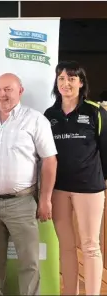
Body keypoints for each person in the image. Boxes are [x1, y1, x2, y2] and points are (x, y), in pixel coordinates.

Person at [0, 73, 58, 295]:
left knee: (29, 263)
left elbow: (49, 160)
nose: (2, 94)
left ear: (20, 91)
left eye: (8, 89)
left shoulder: (36, 119)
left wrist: (45, 199)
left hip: (22, 202)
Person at [43, 61, 107, 295]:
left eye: (71, 78)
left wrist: (103, 181)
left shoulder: (95, 112)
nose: (66, 83)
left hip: (89, 188)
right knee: (66, 247)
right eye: (61, 78)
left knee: (90, 247)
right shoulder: (49, 115)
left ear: (81, 83)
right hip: (59, 189)